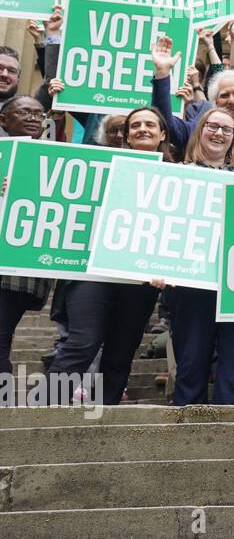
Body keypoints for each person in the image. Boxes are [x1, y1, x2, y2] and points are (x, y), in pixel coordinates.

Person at [44, 107, 176, 405]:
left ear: (163, 133)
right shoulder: (101, 165)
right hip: (93, 272)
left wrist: (166, 266)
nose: (143, 129)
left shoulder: (178, 175)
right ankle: (42, 411)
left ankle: (105, 417)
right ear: (127, 135)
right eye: (135, 125)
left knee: (120, 353)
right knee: (81, 342)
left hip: (140, 280)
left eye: (150, 124)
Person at [165, 107, 234, 406]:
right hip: (191, 279)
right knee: (191, 356)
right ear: (200, 130)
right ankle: (186, 419)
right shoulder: (178, 174)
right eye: (212, 127)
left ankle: (228, 420)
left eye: (227, 130)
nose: (219, 133)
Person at [0, 96, 53, 381]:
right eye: (25, 112)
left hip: (20, 273)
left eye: (39, 113)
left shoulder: (56, 161)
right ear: (4, 120)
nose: (34, 118)